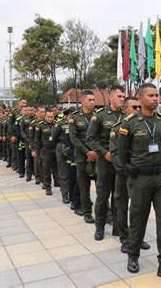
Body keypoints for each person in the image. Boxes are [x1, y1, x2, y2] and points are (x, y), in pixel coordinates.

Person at [117, 83, 161, 281]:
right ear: (140, 98)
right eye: (151, 95)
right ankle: (133, 255)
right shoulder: (129, 124)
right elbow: (122, 152)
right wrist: (127, 167)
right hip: (140, 178)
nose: (156, 98)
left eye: (157, 95)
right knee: (138, 218)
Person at [109, 96, 150, 253]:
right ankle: (125, 239)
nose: (138, 110)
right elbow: (114, 154)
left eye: (139, 107)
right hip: (124, 175)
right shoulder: (117, 129)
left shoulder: (144, 126)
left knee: (139, 209)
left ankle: (137, 238)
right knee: (122, 207)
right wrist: (127, 168)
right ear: (125, 109)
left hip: (140, 175)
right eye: (134, 107)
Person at [86, 85, 126, 241]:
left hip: (121, 163)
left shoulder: (126, 116)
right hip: (105, 162)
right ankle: (100, 228)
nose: (122, 99)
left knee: (120, 197)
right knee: (103, 197)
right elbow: (90, 138)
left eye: (124, 97)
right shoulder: (100, 116)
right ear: (111, 98)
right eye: (119, 96)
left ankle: (119, 228)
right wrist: (104, 153)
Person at [69, 90, 97, 223]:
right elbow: (74, 139)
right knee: (84, 188)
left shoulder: (97, 116)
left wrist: (95, 151)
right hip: (82, 157)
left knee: (101, 187)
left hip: (97, 157)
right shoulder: (74, 117)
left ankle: (105, 212)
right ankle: (87, 213)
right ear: (82, 101)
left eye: (93, 100)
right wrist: (87, 152)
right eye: (89, 100)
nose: (92, 102)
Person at [35, 110, 60, 196]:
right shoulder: (40, 125)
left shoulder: (57, 124)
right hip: (46, 150)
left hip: (55, 149)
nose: (50, 118)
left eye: (51, 117)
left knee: (56, 167)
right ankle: (48, 186)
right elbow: (37, 140)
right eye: (48, 117)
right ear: (45, 116)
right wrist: (40, 151)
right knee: (46, 170)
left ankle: (58, 182)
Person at [52, 107, 71, 204]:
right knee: (63, 173)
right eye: (72, 114)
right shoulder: (60, 123)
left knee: (72, 173)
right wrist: (59, 148)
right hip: (61, 147)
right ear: (67, 115)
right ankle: (65, 194)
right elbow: (54, 137)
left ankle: (71, 193)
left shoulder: (75, 123)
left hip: (72, 149)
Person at [7, 99, 27, 171]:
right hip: (16, 134)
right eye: (23, 102)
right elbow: (10, 124)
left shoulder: (27, 110)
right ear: (19, 103)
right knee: (15, 151)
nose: (24, 104)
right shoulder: (14, 111)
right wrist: (12, 135)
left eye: (25, 103)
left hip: (24, 135)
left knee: (22, 152)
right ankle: (15, 165)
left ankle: (21, 166)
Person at [30, 107, 46, 186]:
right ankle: (38, 177)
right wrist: (32, 149)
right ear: (37, 113)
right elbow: (31, 137)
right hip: (37, 146)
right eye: (41, 112)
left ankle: (44, 180)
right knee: (37, 162)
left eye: (44, 112)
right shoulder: (33, 123)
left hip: (45, 146)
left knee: (45, 164)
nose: (43, 113)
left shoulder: (48, 122)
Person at [20, 106, 35, 182]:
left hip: (35, 141)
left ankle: (36, 174)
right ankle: (28, 175)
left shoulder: (36, 118)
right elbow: (22, 130)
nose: (30, 111)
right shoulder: (23, 119)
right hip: (27, 141)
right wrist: (27, 139)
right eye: (28, 110)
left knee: (36, 159)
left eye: (31, 110)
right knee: (28, 158)